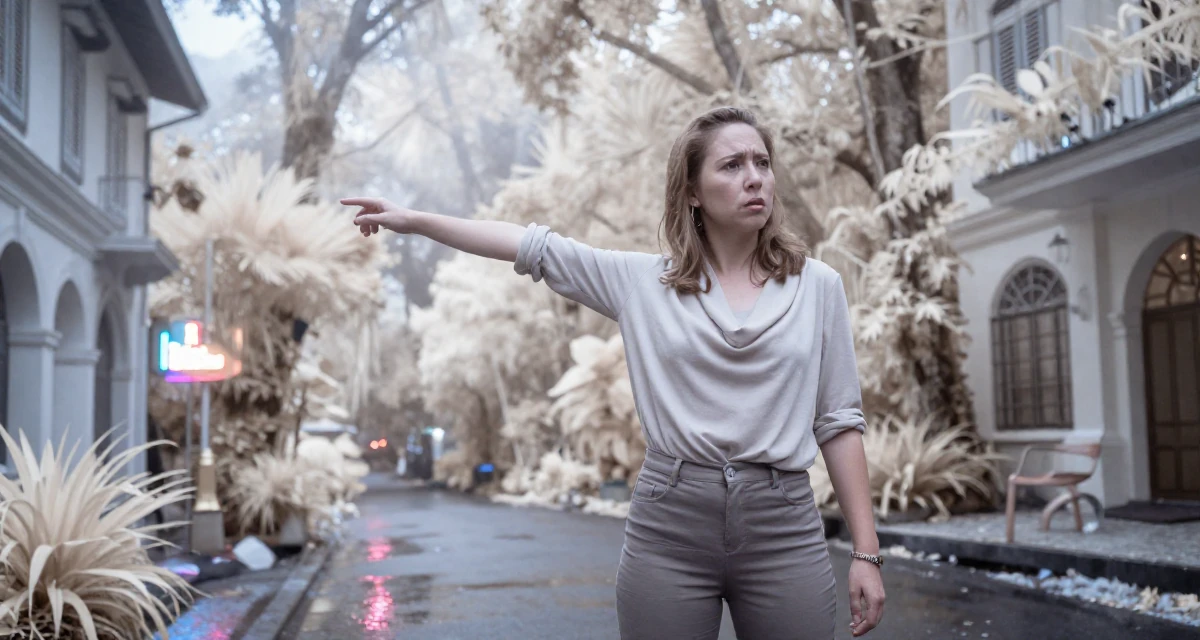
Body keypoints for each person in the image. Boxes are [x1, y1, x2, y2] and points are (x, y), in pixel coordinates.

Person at [342, 106, 885, 639]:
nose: (754, 178)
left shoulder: (818, 287)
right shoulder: (642, 283)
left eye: (762, 163)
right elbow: (530, 246)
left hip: (783, 531)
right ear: (692, 191)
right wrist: (415, 221)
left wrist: (866, 553)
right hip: (670, 531)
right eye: (732, 165)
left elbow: (838, 421)